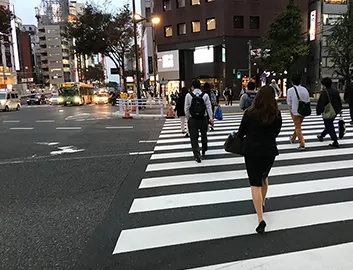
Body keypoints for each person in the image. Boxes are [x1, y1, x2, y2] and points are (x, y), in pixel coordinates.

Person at [237, 85, 282, 235]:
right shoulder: (276, 114)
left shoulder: (249, 113)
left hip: (252, 151)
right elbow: (276, 132)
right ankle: (262, 203)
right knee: (264, 177)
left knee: (254, 183)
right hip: (269, 151)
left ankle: (260, 219)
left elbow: (240, 133)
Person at [185, 80, 214, 163]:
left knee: (194, 138)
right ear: (200, 87)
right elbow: (209, 107)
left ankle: (197, 154)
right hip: (203, 118)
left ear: (192, 87)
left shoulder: (188, 95)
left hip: (193, 119)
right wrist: (211, 118)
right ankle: (204, 148)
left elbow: (186, 109)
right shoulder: (205, 95)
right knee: (204, 134)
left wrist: (188, 118)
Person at [286, 74, 310, 150]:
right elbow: (308, 100)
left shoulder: (290, 90)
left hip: (295, 111)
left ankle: (302, 143)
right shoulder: (305, 89)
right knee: (298, 126)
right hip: (303, 111)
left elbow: (289, 102)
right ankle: (293, 139)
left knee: (298, 127)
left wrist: (290, 111)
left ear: (292, 82)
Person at [316, 77, 342, 148]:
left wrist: (318, 111)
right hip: (335, 111)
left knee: (329, 125)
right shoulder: (335, 91)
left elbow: (321, 103)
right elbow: (339, 101)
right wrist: (339, 110)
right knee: (329, 124)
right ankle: (321, 135)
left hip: (327, 111)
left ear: (324, 85)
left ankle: (335, 140)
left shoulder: (324, 92)